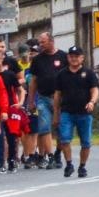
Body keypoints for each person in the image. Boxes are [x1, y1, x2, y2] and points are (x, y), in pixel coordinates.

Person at [52, 45, 99, 177]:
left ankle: (82, 166)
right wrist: (56, 114)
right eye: (71, 56)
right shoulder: (61, 74)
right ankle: (69, 164)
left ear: (82, 58)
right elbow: (57, 95)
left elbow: (95, 90)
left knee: (86, 142)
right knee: (64, 139)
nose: (73, 59)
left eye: (76, 56)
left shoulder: (89, 73)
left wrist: (92, 102)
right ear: (68, 58)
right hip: (67, 112)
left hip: (84, 113)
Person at [28, 31, 69, 167]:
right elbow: (33, 81)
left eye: (43, 42)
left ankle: (58, 153)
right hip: (43, 98)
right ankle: (50, 156)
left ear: (51, 41)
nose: (40, 45)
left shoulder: (63, 56)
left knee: (60, 129)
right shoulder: (37, 59)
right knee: (44, 127)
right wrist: (31, 100)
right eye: (39, 42)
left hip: (61, 99)